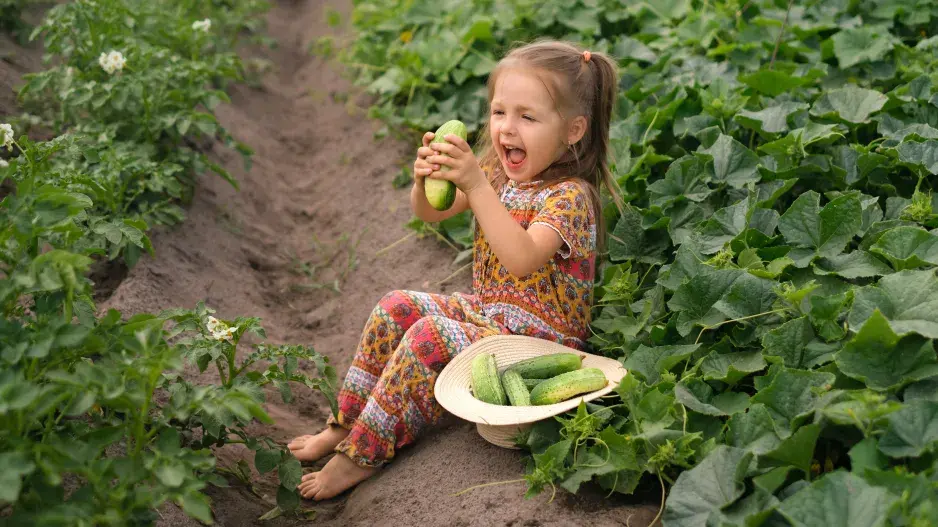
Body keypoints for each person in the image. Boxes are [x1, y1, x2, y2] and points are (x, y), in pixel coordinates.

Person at [286, 38, 622, 501]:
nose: (507, 128)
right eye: (499, 112)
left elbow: (522, 258)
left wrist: (478, 184)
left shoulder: (569, 197)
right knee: (395, 307)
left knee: (430, 336)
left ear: (573, 130)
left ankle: (359, 456)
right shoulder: (500, 174)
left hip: (537, 341)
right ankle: (345, 422)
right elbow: (430, 214)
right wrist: (428, 180)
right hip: (492, 317)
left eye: (528, 117)